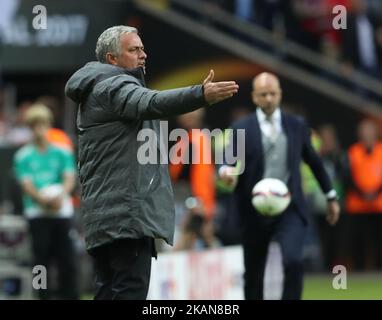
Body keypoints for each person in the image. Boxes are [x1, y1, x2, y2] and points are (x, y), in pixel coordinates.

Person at [64, 25, 238, 300]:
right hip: (126, 216)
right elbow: (152, 102)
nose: (143, 55)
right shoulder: (113, 85)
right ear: (112, 59)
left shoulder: (96, 87)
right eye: (134, 50)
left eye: (142, 48)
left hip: (106, 217)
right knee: (128, 292)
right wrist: (199, 95)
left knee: (108, 292)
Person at [219, 72, 340, 300]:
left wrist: (331, 196)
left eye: (273, 93)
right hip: (253, 209)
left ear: (280, 95)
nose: (268, 98)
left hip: (289, 207)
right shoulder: (240, 128)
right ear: (254, 97)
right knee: (253, 273)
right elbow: (227, 159)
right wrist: (225, 171)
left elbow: (313, 161)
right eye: (263, 94)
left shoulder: (296, 125)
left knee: (294, 261)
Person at [13, 104, 78, 300]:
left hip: (61, 212)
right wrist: (43, 200)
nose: (39, 130)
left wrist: (61, 196)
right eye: (34, 126)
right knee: (40, 261)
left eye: (42, 124)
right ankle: (42, 296)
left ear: (49, 125)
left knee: (67, 259)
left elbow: (69, 177)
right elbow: (26, 183)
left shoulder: (62, 151)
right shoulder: (23, 156)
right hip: (37, 213)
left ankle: (70, 295)